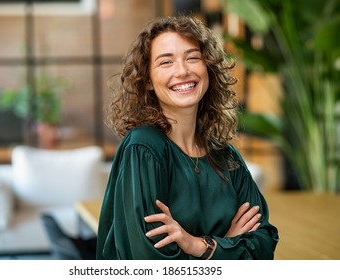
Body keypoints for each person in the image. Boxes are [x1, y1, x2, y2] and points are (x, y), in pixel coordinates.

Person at [96, 15, 278, 260]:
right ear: (148, 80)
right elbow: (149, 265)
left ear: (208, 68)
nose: (182, 71)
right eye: (165, 62)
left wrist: (200, 245)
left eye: (192, 57)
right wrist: (228, 245)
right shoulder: (144, 148)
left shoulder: (225, 156)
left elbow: (264, 245)